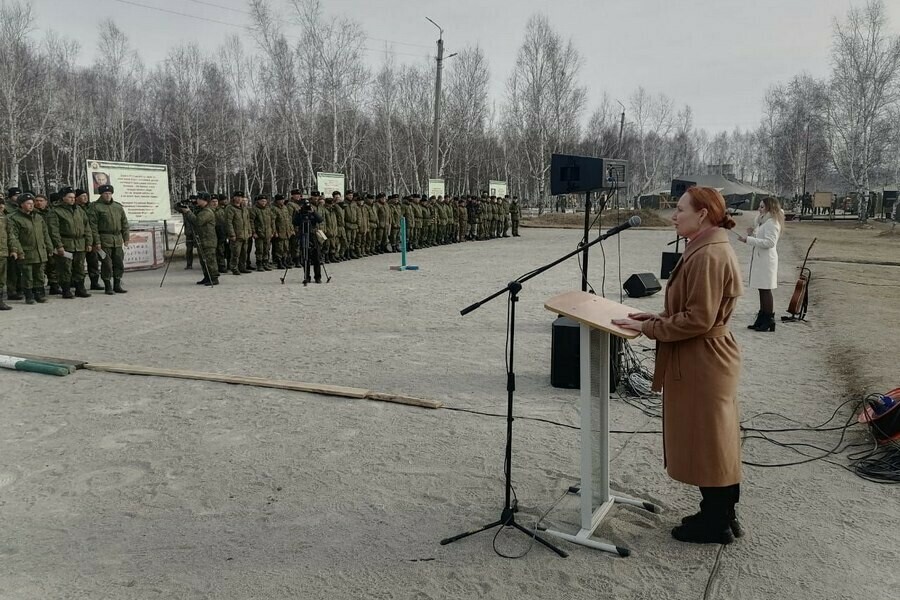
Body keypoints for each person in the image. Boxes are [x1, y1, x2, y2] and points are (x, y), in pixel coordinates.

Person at [613, 186, 744, 545]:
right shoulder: (707, 248)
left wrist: (648, 327)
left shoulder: (708, 255)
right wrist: (655, 316)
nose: (674, 215)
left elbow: (699, 319)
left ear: (703, 215)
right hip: (705, 354)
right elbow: (696, 310)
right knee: (715, 439)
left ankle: (716, 522)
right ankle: (721, 513)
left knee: (708, 441)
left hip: (703, 357)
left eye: (681, 210)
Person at [737, 197, 784, 332]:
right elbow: (762, 238)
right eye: (760, 206)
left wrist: (749, 240)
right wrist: (753, 234)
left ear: (770, 208)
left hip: (767, 260)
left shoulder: (772, 222)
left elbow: (769, 243)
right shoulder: (763, 222)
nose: (759, 209)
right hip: (761, 259)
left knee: (766, 289)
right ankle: (762, 317)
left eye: (762, 207)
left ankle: (768, 319)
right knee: (761, 289)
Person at [7, 193, 53, 305]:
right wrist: (19, 251)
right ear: (21, 205)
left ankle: (39, 294)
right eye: (28, 203)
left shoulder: (38, 217)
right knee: (27, 275)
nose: (31, 206)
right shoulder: (14, 218)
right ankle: (29, 296)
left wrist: (49, 246)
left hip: (40, 251)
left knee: (39, 274)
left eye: (32, 203)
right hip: (26, 251)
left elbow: (45, 233)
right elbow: (13, 237)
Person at [46, 187, 92, 299]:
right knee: (65, 268)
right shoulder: (56, 211)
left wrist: (89, 242)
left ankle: (80, 288)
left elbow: (87, 227)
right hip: (66, 243)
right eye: (69, 197)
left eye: (73, 197)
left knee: (80, 267)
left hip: (80, 243)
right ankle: (66, 290)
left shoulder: (79, 210)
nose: (72, 199)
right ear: (63, 198)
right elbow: (53, 230)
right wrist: (59, 245)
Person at [89, 184, 129, 295]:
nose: (108, 195)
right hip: (103, 239)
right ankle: (108, 285)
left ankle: (117, 284)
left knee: (119, 262)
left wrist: (126, 237)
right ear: (101, 194)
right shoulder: (95, 207)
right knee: (106, 263)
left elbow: (124, 223)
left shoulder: (118, 207)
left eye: (110, 193)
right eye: (105, 193)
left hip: (117, 239)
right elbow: (93, 226)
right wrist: (96, 241)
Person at [178, 193, 219, 286]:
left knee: (210, 260)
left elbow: (197, 222)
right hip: (202, 239)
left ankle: (214, 278)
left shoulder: (207, 212)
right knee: (203, 260)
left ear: (204, 200)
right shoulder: (201, 210)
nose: (197, 200)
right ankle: (207, 276)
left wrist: (188, 212)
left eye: (199, 199)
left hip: (208, 240)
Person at [293, 199, 323, 284]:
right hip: (303, 235)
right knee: (305, 258)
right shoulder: (300, 213)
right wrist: (299, 213)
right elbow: (295, 222)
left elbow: (320, 220)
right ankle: (307, 277)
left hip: (313, 235)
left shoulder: (312, 212)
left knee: (316, 257)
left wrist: (314, 212)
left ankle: (318, 277)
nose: (307, 208)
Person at [0, 201, 11, 310]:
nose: (1, 206)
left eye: (2, 204)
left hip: (2, 252)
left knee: (1, 279)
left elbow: (10, 235)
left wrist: (13, 249)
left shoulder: (5, 219)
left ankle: (0, 301)